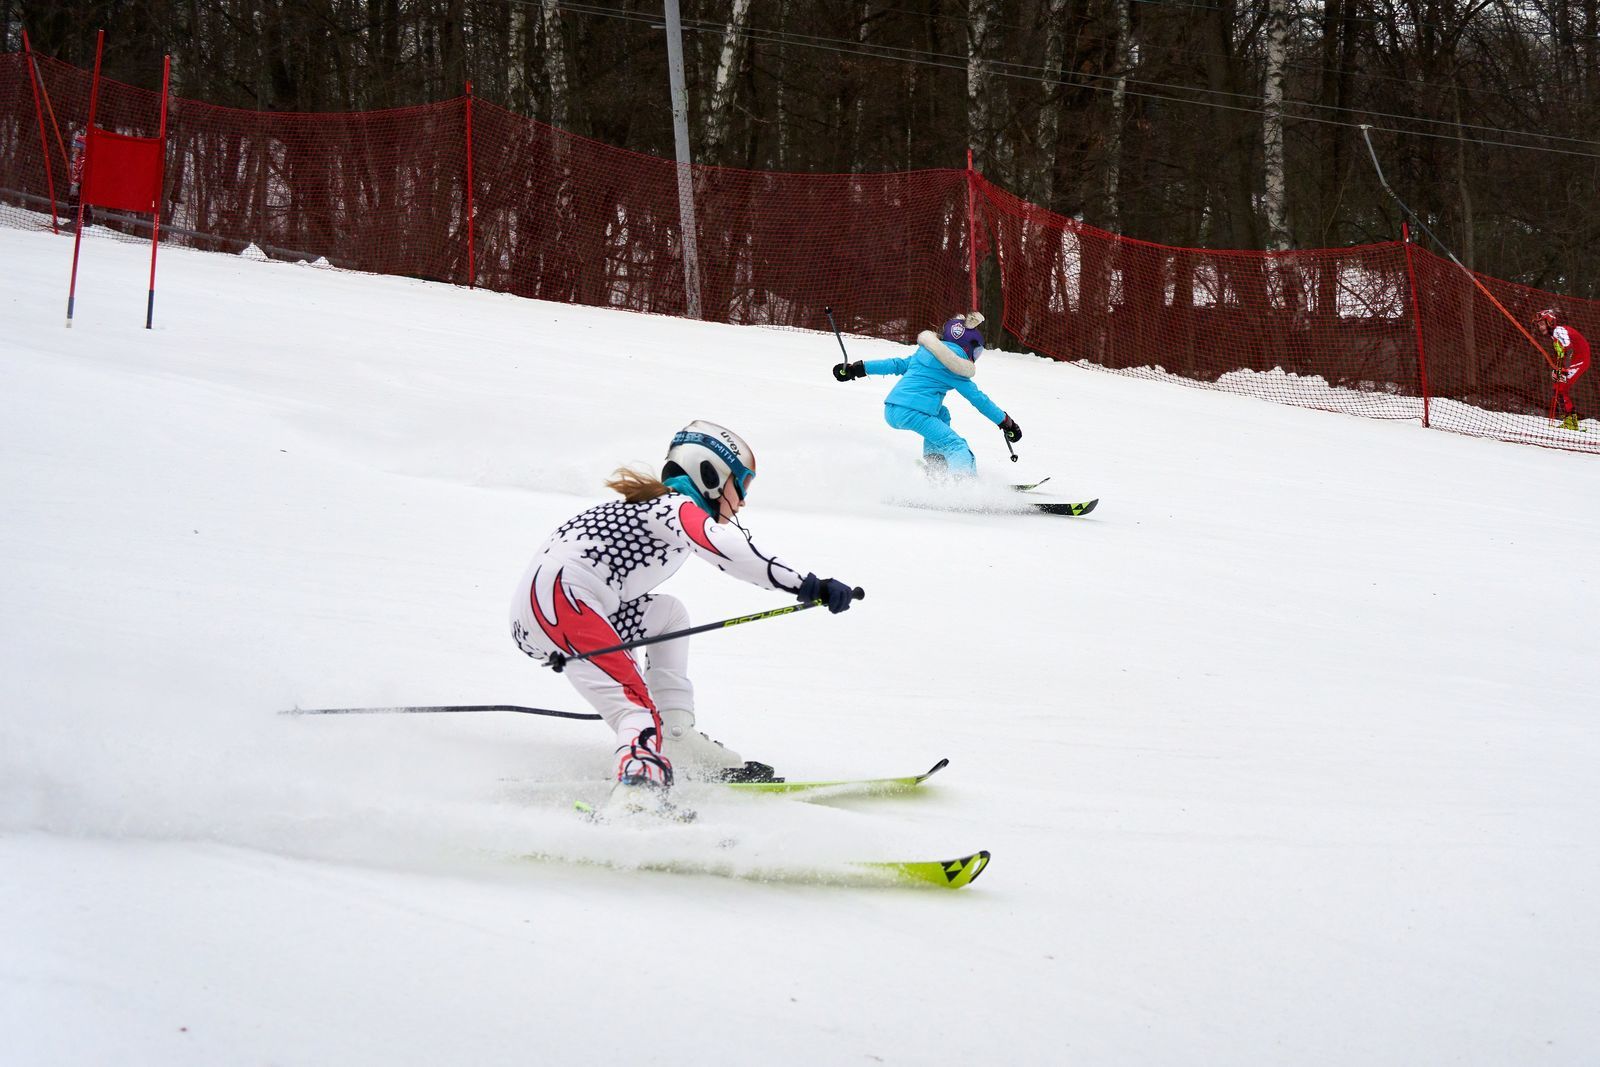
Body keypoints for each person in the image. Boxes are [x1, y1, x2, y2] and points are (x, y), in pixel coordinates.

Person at [509, 420, 859, 817]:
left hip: (550, 610)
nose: (742, 501)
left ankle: (675, 736)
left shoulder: (652, 507)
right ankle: (638, 796)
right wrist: (809, 585)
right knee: (634, 708)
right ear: (712, 475)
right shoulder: (673, 507)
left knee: (667, 614)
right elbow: (727, 550)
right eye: (741, 485)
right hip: (564, 603)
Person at [832, 311, 1021, 476]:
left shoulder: (923, 354)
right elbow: (980, 400)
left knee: (942, 413)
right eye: (976, 350)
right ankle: (962, 487)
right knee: (957, 446)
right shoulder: (956, 369)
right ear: (968, 347)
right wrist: (1006, 422)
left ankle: (937, 467)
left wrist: (857, 369)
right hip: (915, 413)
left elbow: (896, 364)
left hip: (892, 410)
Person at [1534, 308, 1590, 431]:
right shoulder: (1555, 336)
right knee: (1558, 388)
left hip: (1579, 361)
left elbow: (1569, 350)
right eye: (1538, 325)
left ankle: (1571, 422)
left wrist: (1564, 370)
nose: (1540, 327)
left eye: (1542, 324)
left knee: (1560, 389)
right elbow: (1561, 354)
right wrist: (1557, 370)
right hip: (1574, 361)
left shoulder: (1559, 331)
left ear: (1550, 322)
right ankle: (1570, 421)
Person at [60, 129, 92, 228]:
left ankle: (76, 220)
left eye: (77, 146)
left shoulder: (85, 159)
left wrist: (77, 183)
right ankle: (86, 219)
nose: (74, 149)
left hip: (82, 184)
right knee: (77, 200)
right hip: (78, 183)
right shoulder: (78, 158)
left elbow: (82, 173)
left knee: (75, 199)